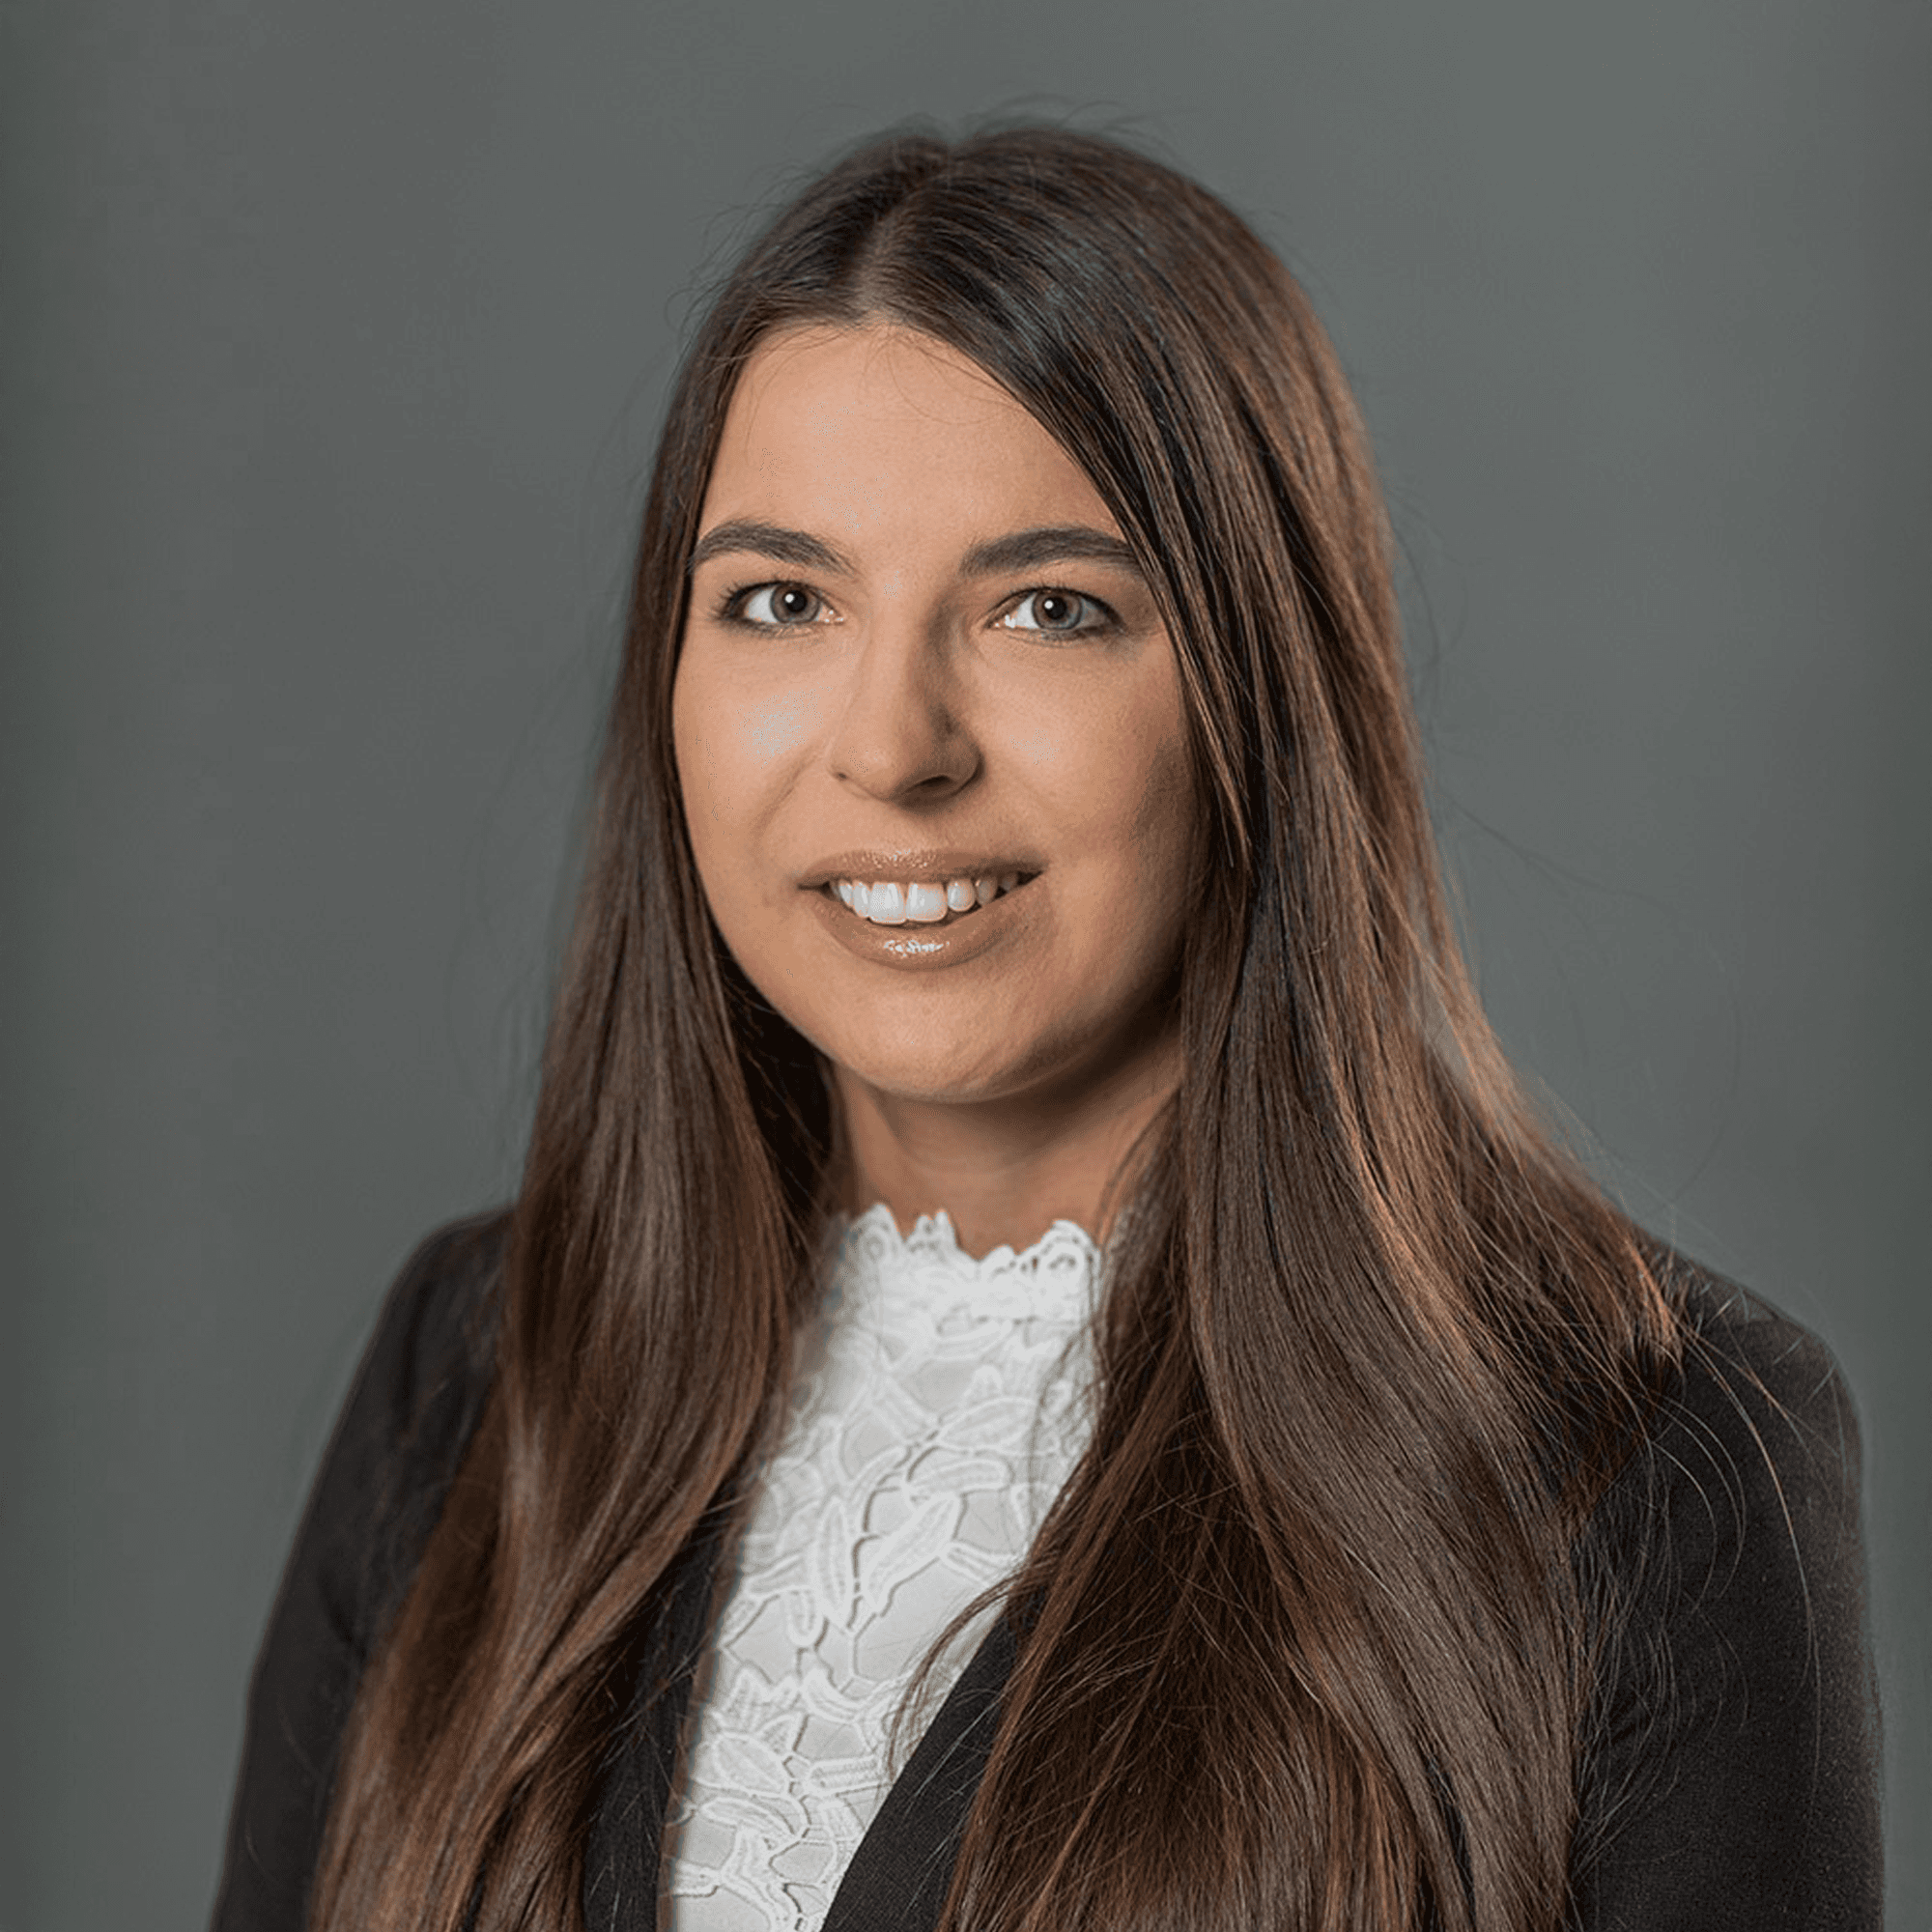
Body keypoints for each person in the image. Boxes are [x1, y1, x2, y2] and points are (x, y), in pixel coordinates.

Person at [211, 126, 1881, 1932]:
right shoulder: (470, 1375)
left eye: (1046, 609)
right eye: (781, 600)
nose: (895, 744)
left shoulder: (1654, 1453)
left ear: (1260, 689)